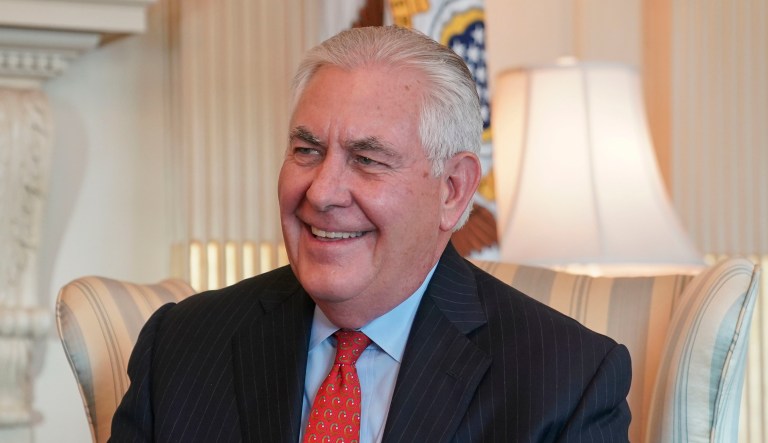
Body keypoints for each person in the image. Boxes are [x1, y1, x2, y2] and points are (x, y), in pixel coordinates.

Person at [110, 26, 631, 442]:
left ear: (452, 190)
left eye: (367, 159)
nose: (322, 192)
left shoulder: (566, 380)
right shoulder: (180, 347)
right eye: (307, 151)